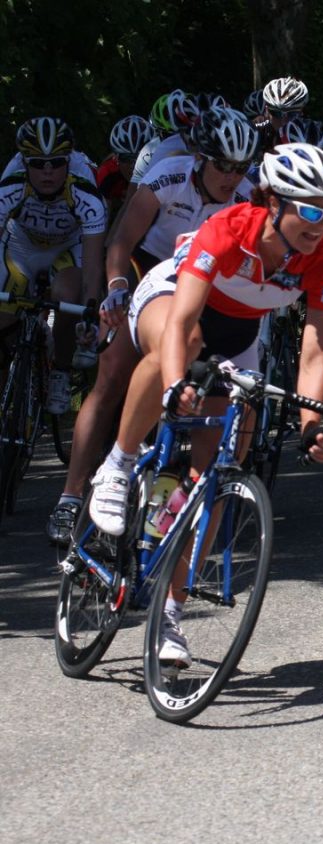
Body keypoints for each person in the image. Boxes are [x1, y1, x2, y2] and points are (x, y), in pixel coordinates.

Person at [85, 143, 323, 663]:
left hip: (240, 332)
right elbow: (182, 324)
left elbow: (316, 351)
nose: (322, 223)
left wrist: (312, 423)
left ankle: (169, 616)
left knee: (217, 474)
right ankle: (118, 464)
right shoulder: (230, 230)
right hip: (175, 300)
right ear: (272, 200)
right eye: (311, 210)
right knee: (181, 351)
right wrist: (178, 383)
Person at [45, 108, 256, 543]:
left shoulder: (248, 196)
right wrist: (117, 287)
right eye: (222, 165)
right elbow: (121, 240)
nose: (231, 177)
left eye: (239, 168)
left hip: (206, 288)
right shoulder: (168, 176)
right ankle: (70, 497)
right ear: (200, 157)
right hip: (150, 273)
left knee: (200, 402)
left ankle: (163, 521)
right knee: (111, 380)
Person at [0, 117, 106, 416]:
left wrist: (89, 310)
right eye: (38, 163)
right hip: (22, 245)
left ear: (69, 161)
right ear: (24, 162)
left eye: (57, 162)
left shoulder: (86, 192)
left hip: (67, 247)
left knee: (66, 295)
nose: (47, 171)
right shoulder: (10, 184)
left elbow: (94, 265)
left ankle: (60, 371)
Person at [96, 116, 155, 217]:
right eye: (126, 158)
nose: (134, 164)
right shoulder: (107, 174)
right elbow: (103, 221)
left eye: (141, 157)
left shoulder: (161, 167)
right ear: (116, 158)